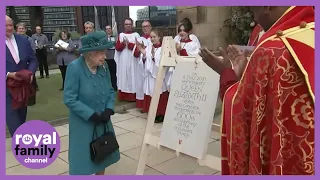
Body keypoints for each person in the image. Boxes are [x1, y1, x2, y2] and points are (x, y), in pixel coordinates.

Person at [199, 6, 314, 175]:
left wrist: (227, 74)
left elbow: (242, 109)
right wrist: (248, 75)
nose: (254, 19)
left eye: (253, 12)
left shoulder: (271, 51)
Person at [63, 31, 120, 175]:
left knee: (103, 154)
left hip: (103, 122)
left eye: (105, 52)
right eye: (101, 53)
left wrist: (108, 110)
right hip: (84, 124)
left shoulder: (104, 66)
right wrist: (91, 115)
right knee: (83, 161)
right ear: (89, 53)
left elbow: (111, 91)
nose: (104, 56)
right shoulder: (74, 68)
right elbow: (69, 98)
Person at [6, 15, 37, 136]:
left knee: (21, 116)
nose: (9, 28)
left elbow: (33, 60)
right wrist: (8, 74)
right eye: (5, 25)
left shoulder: (23, 40)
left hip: (23, 86)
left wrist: (30, 73)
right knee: (12, 118)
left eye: (10, 25)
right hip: (6, 88)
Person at [136, 29, 170, 123]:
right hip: (150, 77)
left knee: (160, 94)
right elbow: (143, 62)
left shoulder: (164, 49)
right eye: (151, 37)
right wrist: (143, 55)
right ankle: (152, 113)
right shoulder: (148, 47)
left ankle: (161, 114)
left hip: (159, 77)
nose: (152, 39)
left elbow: (163, 64)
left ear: (159, 37)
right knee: (150, 93)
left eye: (154, 37)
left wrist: (154, 57)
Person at [114, 18, 141, 102]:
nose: (128, 26)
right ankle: (124, 95)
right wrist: (123, 44)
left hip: (133, 59)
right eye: (126, 24)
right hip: (124, 59)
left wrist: (129, 44)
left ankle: (134, 95)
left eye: (129, 24)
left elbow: (139, 47)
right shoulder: (121, 35)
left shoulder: (136, 35)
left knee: (133, 75)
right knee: (124, 76)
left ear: (132, 25)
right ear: (124, 25)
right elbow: (117, 48)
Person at [16, 22, 39, 93]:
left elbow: (33, 51)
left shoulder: (29, 39)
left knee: (30, 78)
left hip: (28, 62)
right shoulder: (13, 39)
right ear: (17, 30)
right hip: (17, 62)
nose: (21, 30)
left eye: (23, 28)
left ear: (25, 30)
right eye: (19, 28)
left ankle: (32, 92)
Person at [134, 20, 153, 110]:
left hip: (151, 67)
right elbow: (135, 54)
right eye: (143, 27)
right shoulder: (140, 39)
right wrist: (139, 49)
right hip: (142, 67)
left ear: (150, 27)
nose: (145, 28)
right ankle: (143, 106)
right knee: (142, 85)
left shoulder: (153, 38)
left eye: (147, 26)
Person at [105, 25, 117, 91]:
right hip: (106, 58)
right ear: (105, 30)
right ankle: (108, 86)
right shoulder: (104, 38)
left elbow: (117, 45)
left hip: (113, 57)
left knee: (114, 73)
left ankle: (114, 86)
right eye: (107, 29)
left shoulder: (115, 37)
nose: (108, 30)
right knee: (107, 73)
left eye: (109, 28)